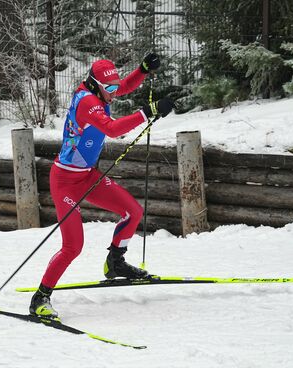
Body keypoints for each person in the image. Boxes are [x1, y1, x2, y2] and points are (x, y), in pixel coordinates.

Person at [29, 53, 175, 318]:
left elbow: (124, 86)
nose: (113, 94)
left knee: (133, 211)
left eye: (113, 87)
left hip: (87, 175)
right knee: (73, 247)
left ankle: (115, 262)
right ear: (95, 84)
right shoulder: (87, 102)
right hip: (65, 181)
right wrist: (148, 112)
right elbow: (113, 129)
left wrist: (142, 70)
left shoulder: (100, 89)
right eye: (108, 89)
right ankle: (40, 298)